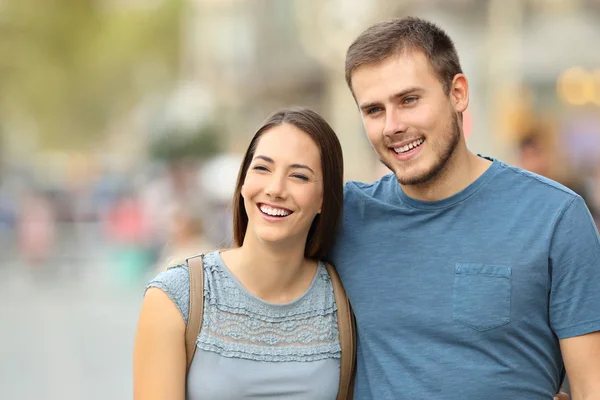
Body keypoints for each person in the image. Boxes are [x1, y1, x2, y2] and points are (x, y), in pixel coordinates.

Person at [329, 16, 600, 399]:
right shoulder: (346, 216)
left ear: (457, 93)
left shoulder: (556, 217)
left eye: (409, 100)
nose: (392, 125)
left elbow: (592, 386)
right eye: (374, 110)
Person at [133, 107, 350, 399]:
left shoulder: (344, 299)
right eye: (262, 168)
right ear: (244, 182)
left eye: (299, 176)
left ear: (324, 198)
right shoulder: (176, 297)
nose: (275, 189)